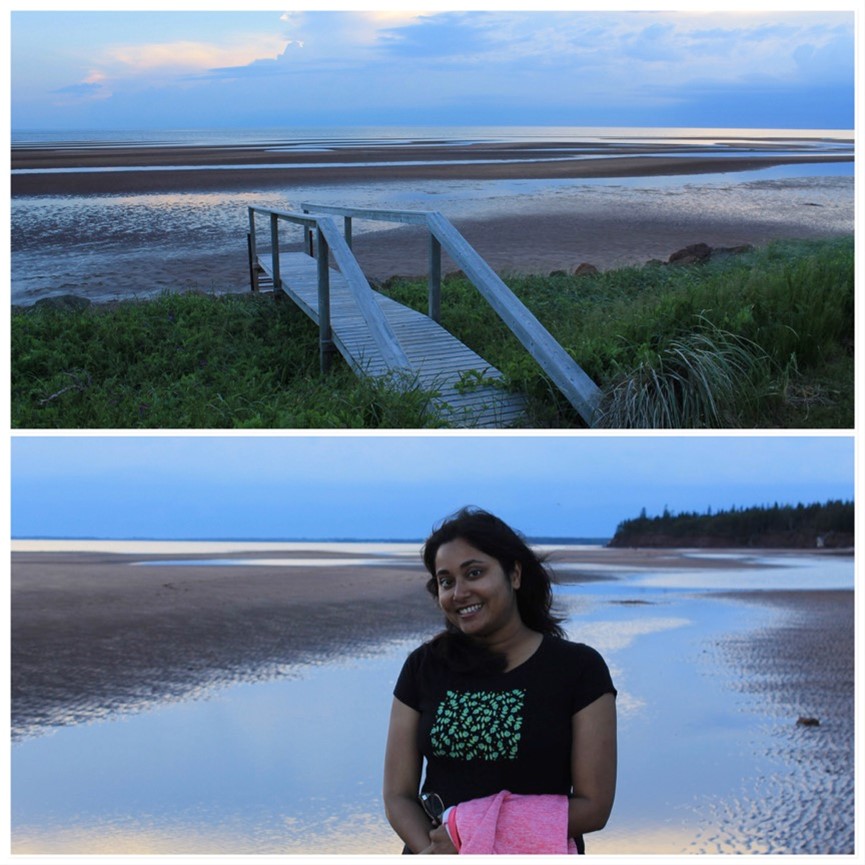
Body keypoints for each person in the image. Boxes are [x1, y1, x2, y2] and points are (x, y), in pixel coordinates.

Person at [383, 507, 617, 854]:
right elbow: (398, 795)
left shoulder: (579, 670)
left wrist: (470, 833)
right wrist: (435, 855)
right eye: (446, 581)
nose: (459, 592)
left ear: (515, 574)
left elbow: (594, 807)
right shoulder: (424, 667)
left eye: (474, 573)